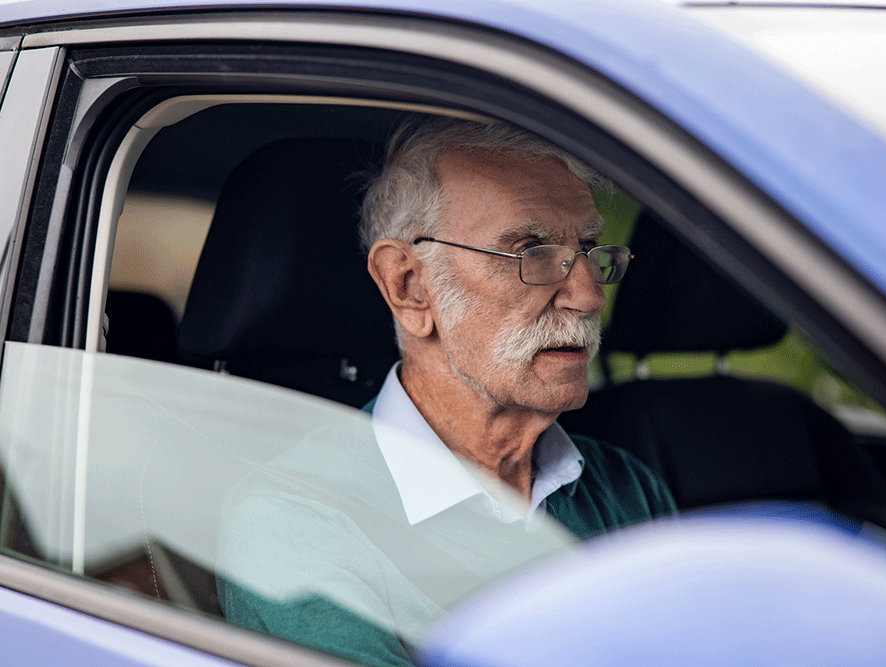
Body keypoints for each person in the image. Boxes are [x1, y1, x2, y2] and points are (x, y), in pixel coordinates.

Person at [217, 117, 676, 667]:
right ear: (409, 286)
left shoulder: (626, 488)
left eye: (589, 248)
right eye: (531, 251)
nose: (587, 295)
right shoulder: (297, 518)